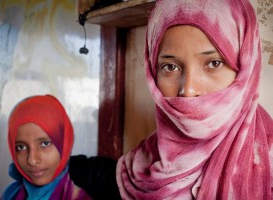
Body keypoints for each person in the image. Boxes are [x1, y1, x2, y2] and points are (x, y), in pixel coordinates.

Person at [114, 0, 273, 199]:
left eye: (214, 63)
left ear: (246, 68)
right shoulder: (139, 165)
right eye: (170, 67)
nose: (188, 91)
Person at [2, 94, 91, 200]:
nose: (32, 160)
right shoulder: (11, 194)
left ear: (64, 145)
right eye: (21, 147)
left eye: (45, 144)